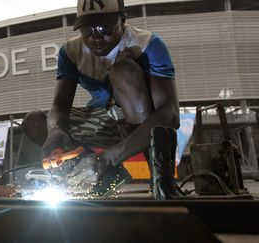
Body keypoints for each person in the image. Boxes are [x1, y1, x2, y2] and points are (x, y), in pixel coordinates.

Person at [22, 0, 181, 199]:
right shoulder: (71, 53)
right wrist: (55, 130)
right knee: (35, 121)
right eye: (87, 30)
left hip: (141, 124)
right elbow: (59, 106)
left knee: (123, 72)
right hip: (104, 121)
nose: (96, 37)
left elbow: (170, 114)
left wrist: (112, 155)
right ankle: (106, 173)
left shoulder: (147, 44)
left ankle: (159, 179)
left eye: (104, 28)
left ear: (122, 21)